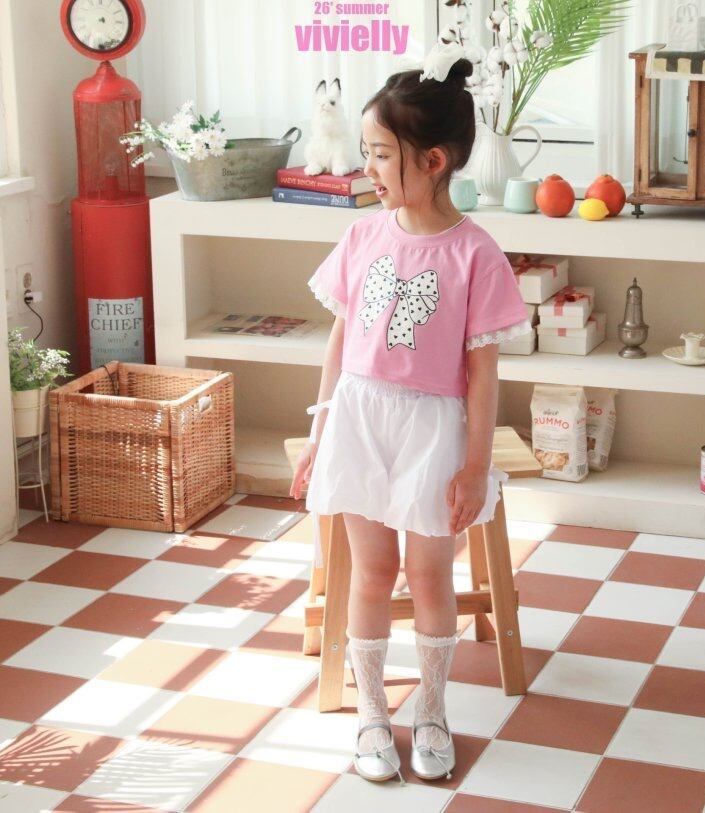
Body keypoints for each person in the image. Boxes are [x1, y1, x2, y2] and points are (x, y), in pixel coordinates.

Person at [289, 48, 531, 785]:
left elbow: (483, 373)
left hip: (433, 431)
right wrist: (321, 431)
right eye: (366, 152)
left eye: (380, 154)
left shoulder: (476, 255)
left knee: (428, 576)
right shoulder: (364, 235)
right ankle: (371, 712)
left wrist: (475, 464)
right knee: (372, 571)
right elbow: (339, 342)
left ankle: (431, 709)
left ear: (432, 161)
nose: (367, 167)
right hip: (360, 421)